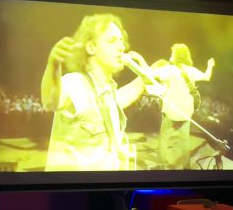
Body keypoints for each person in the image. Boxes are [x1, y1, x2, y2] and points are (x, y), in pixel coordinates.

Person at [41, 13, 152, 171]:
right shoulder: (76, 83)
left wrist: (145, 77)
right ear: (91, 47)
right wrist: (53, 65)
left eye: (121, 41)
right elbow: (51, 101)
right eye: (112, 41)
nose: (121, 47)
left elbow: (121, 97)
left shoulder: (107, 92)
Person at [149, 43, 215, 169]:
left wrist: (142, 61)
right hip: (186, 112)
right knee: (185, 140)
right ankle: (186, 166)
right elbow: (207, 77)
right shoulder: (191, 70)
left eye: (172, 53)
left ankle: (160, 165)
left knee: (164, 137)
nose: (170, 55)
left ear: (176, 55)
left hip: (172, 111)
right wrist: (210, 65)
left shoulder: (170, 70)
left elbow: (151, 73)